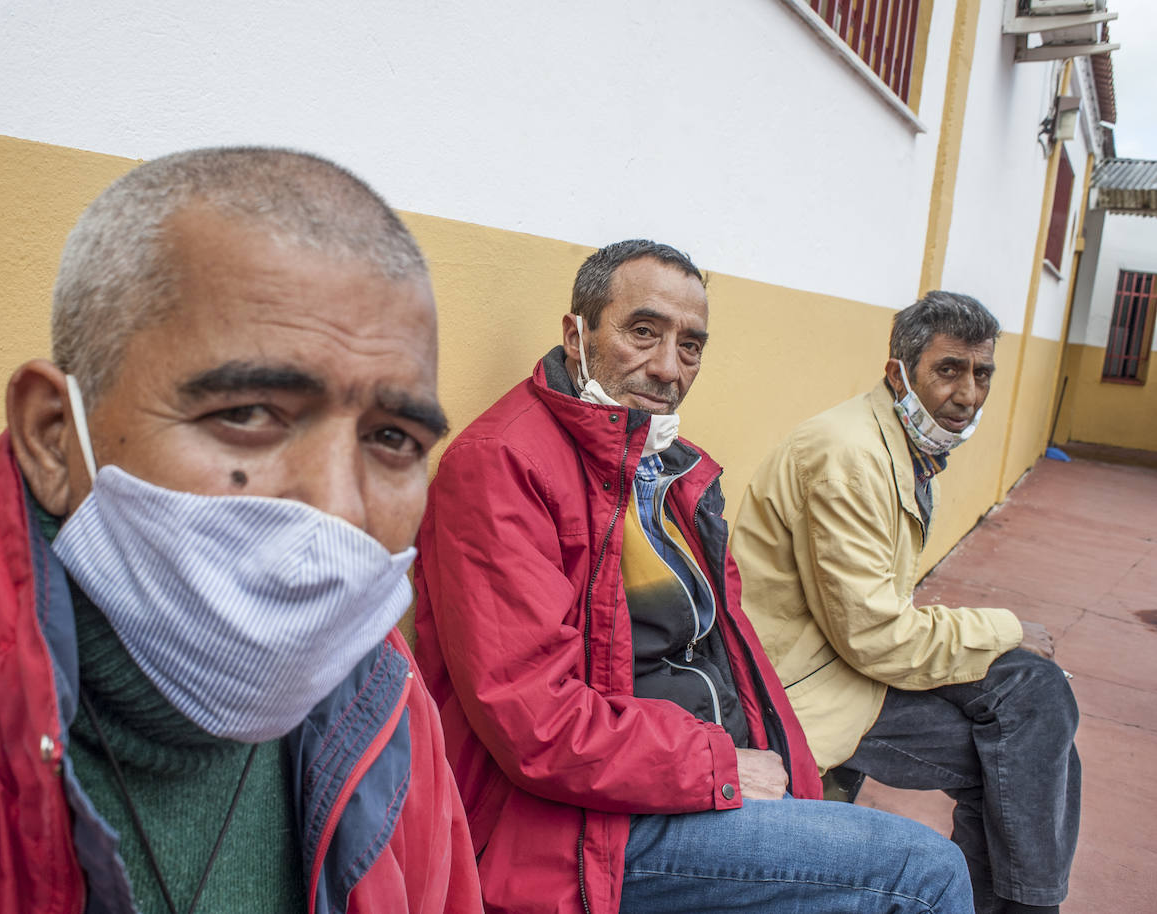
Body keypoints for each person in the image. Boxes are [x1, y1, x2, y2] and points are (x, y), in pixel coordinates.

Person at [0, 148, 482, 914]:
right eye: (247, 414)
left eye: (392, 439)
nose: (341, 509)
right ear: (54, 438)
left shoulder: (383, 710)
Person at [413, 239, 975, 914]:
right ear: (577, 335)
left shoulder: (668, 468)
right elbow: (537, 722)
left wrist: (784, 773)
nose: (667, 367)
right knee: (926, 874)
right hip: (585, 827)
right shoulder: (501, 465)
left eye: (690, 345)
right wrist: (719, 767)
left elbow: (730, 653)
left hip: (687, 779)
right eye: (642, 332)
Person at [730, 291, 1081, 914]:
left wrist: (1000, 637)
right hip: (808, 685)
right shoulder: (848, 457)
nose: (968, 394)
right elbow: (872, 636)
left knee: (1039, 706)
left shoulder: (901, 446)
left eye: (982, 373)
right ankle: (1029, 907)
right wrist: (1004, 628)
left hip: (847, 659)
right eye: (949, 370)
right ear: (899, 374)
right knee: (1027, 753)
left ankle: (1020, 905)